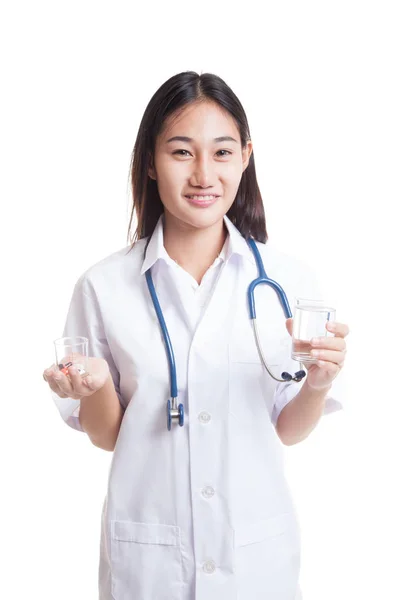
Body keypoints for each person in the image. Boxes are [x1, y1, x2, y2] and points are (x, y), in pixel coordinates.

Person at [43, 71, 349, 600]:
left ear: (246, 156)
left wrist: (318, 383)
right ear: (150, 161)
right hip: (150, 564)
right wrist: (93, 388)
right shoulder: (104, 286)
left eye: (222, 152)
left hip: (255, 563)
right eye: (182, 152)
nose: (204, 174)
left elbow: (289, 429)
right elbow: (108, 436)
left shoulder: (287, 282)